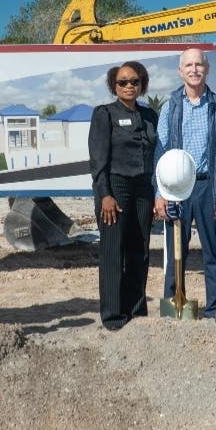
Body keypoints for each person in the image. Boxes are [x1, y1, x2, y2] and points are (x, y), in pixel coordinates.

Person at [153, 47, 216, 318]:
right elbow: (160, 151)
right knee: (176, 250)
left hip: (208, 187)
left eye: (199, 65)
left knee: (212, 252)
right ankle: (175, 304)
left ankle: (215, 308)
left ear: (207, 69)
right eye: (188, 65)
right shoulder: (170, 107)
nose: (194, 69)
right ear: (181, 71)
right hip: (176, 187)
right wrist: (160, 192)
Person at [88, 62, 158, 330]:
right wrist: (104, 194)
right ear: (113, 86)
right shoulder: (104, 114)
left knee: (139, 251)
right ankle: (114, 316)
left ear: (142, 84)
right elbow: (97, 160)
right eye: (123, 82)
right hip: (115, 189)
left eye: (135, 81)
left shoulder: (150, 115)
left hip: (143, 189)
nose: (129, 86)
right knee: (113, 251)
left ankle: (137, 313)